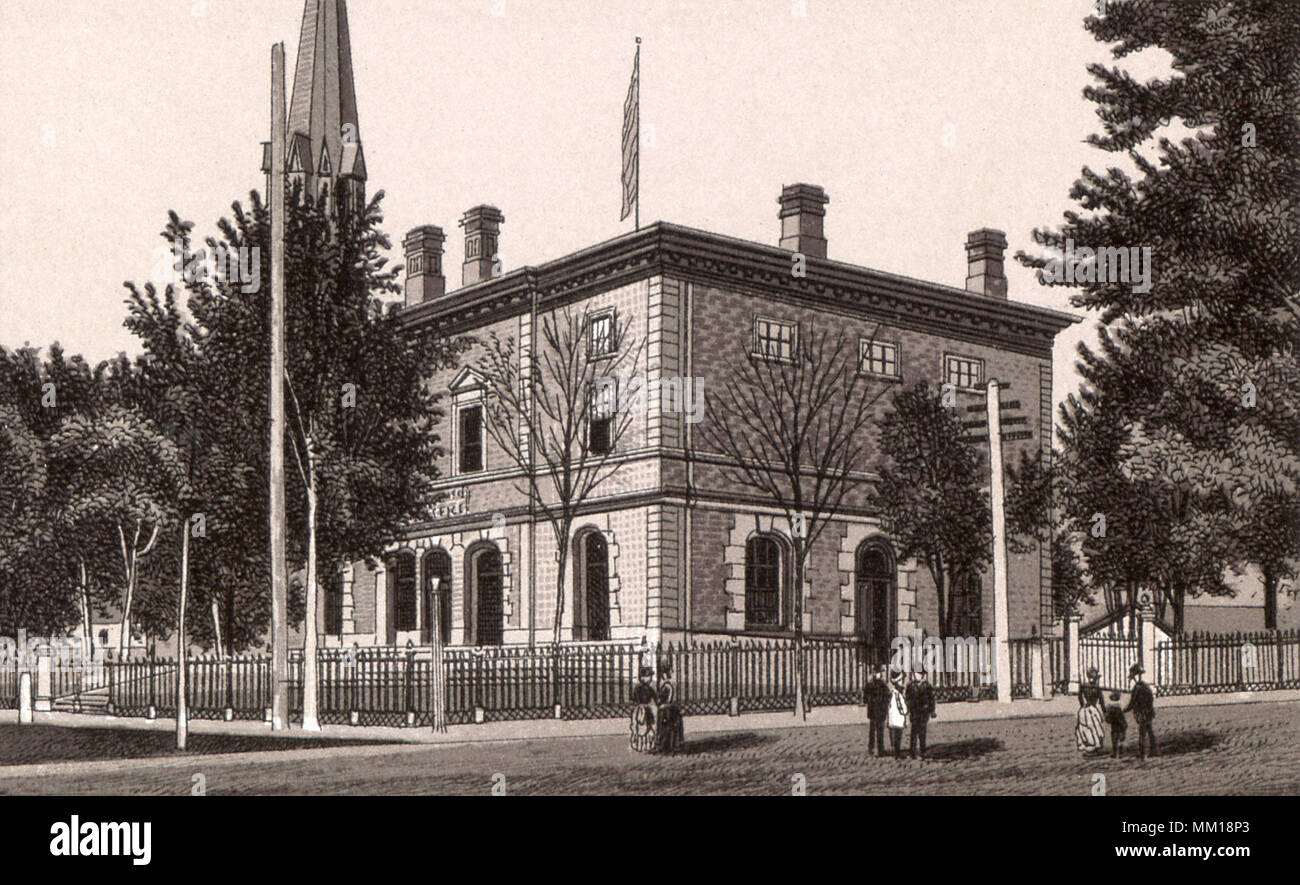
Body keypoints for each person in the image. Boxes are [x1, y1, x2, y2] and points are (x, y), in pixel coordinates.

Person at [1125, 663, 1157, 759]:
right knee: (1149, 731)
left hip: (1142, 713)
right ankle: (1153, 750)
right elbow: (1151, 699)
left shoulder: (1137, 688)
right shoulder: (1146, 687)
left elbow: (1133, 702)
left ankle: (1142, 752)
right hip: (1148, 712)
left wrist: (1125, 710)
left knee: (1142, 733)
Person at [904, 668, 937, 760]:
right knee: (913, 733)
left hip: (923, 712)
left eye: (920, 674)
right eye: (916, 674)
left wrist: (932, 711)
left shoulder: (927, 686)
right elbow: (907, 698)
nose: (918, 675)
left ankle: (923, 752)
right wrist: (909, 707)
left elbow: (931, 699)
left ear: (923, 675)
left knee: (922, 733)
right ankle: (912, 752)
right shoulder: (910, 685)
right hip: (914, 712)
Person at [655, 660, 685, 754]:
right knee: (670, 728)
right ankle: (671, 745)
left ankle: (666, 746)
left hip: (666, 709)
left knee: (667, 728)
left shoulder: (666, 685)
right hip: (670, 708)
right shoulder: (669, 684)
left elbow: (662, 699)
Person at [1076, 666, 1106, 754]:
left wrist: (1083, 705)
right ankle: (1095, 743)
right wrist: (1104, 711)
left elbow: (1080, 697)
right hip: (1092, 708)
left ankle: (1087, 743)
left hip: (1086, 708)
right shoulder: (1096, 687)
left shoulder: (1084, 686)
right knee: (1093, 726)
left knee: (1085, 726)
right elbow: (1101, 701)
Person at [630, 665, 658, 753]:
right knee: (646, 725)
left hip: (640, 708)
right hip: (644, 708)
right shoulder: (648, 689)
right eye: (648, 676)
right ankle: (645, 745)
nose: (649, 678)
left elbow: (633, 698)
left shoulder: (638, 688)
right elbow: (656, 698)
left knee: (641, 726)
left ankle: (640, 745)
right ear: (642, 677)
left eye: (650, 676)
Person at [863, 665, 890, 757]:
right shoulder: (870, 685)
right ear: (874, 673)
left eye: (881, 673)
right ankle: (872, 748)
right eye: (878, 673)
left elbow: (887, 697)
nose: (880, 674)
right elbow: (865, 698)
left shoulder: (883, 685)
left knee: (880, 730)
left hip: (881, 711)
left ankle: (880, 748)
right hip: (873, 710)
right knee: (873, 730)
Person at [886, 669, 908, 760]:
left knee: (897, 734)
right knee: (896, 735)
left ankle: (896, 751)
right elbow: (900, 706)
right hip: (896, 717)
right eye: (901, 680)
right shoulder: (895, 694)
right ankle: (896, 752)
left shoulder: (896, 693)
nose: (902, 682)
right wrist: (905, 712)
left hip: (896, 717)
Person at [1105, 691, 1127, 758]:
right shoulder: (1120, 705)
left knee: (1114, 738)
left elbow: (1107, 717)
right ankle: (1121, 751)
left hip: (1114, 724)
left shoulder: (1109, 706)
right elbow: (1122, 715)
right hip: (1121, 723)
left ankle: (1115, 753)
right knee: (1121, 738)